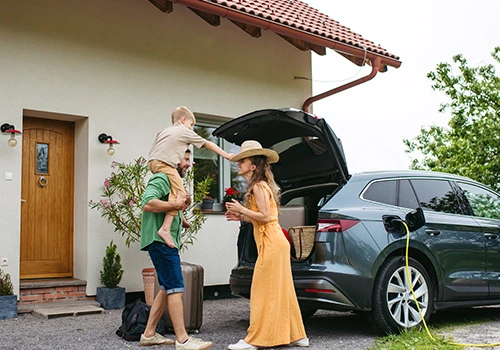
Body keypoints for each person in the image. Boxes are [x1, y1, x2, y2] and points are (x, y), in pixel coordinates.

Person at [224, 140, 309, 350]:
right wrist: (241, 218)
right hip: (274, 241)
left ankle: (256, 340)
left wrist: (242, 211)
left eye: (242, 160)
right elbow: (263, 218)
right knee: (283, 290)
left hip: (271, 242)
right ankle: (298, 335)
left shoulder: (259, 187)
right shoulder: (259, 186)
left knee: (263, 291)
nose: (239, 163)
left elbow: (264, 216)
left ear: (253, 165)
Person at [140, 150, 213, 349]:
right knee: (175, 286)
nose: (189, 164)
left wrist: (181, 213)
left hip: (163, 240)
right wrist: (174, 204)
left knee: (166, 287)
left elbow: (170, 206)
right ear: (174, 159)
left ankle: (149, 334)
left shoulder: (171, 182)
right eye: (187, 159)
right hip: (160, 240)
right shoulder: (162, 178)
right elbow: (147, 202)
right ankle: (183, 340)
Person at [148, 106, 234, 249]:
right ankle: (165, 228)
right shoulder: (183, 130)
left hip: (153, 163)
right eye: (191, 125)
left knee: (175, 191)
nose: (191, 129)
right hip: (165, 164)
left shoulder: (164, 131)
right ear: (183, 120)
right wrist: (226, 155)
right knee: (181, 195)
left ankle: (179, 216)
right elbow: (207, 143)